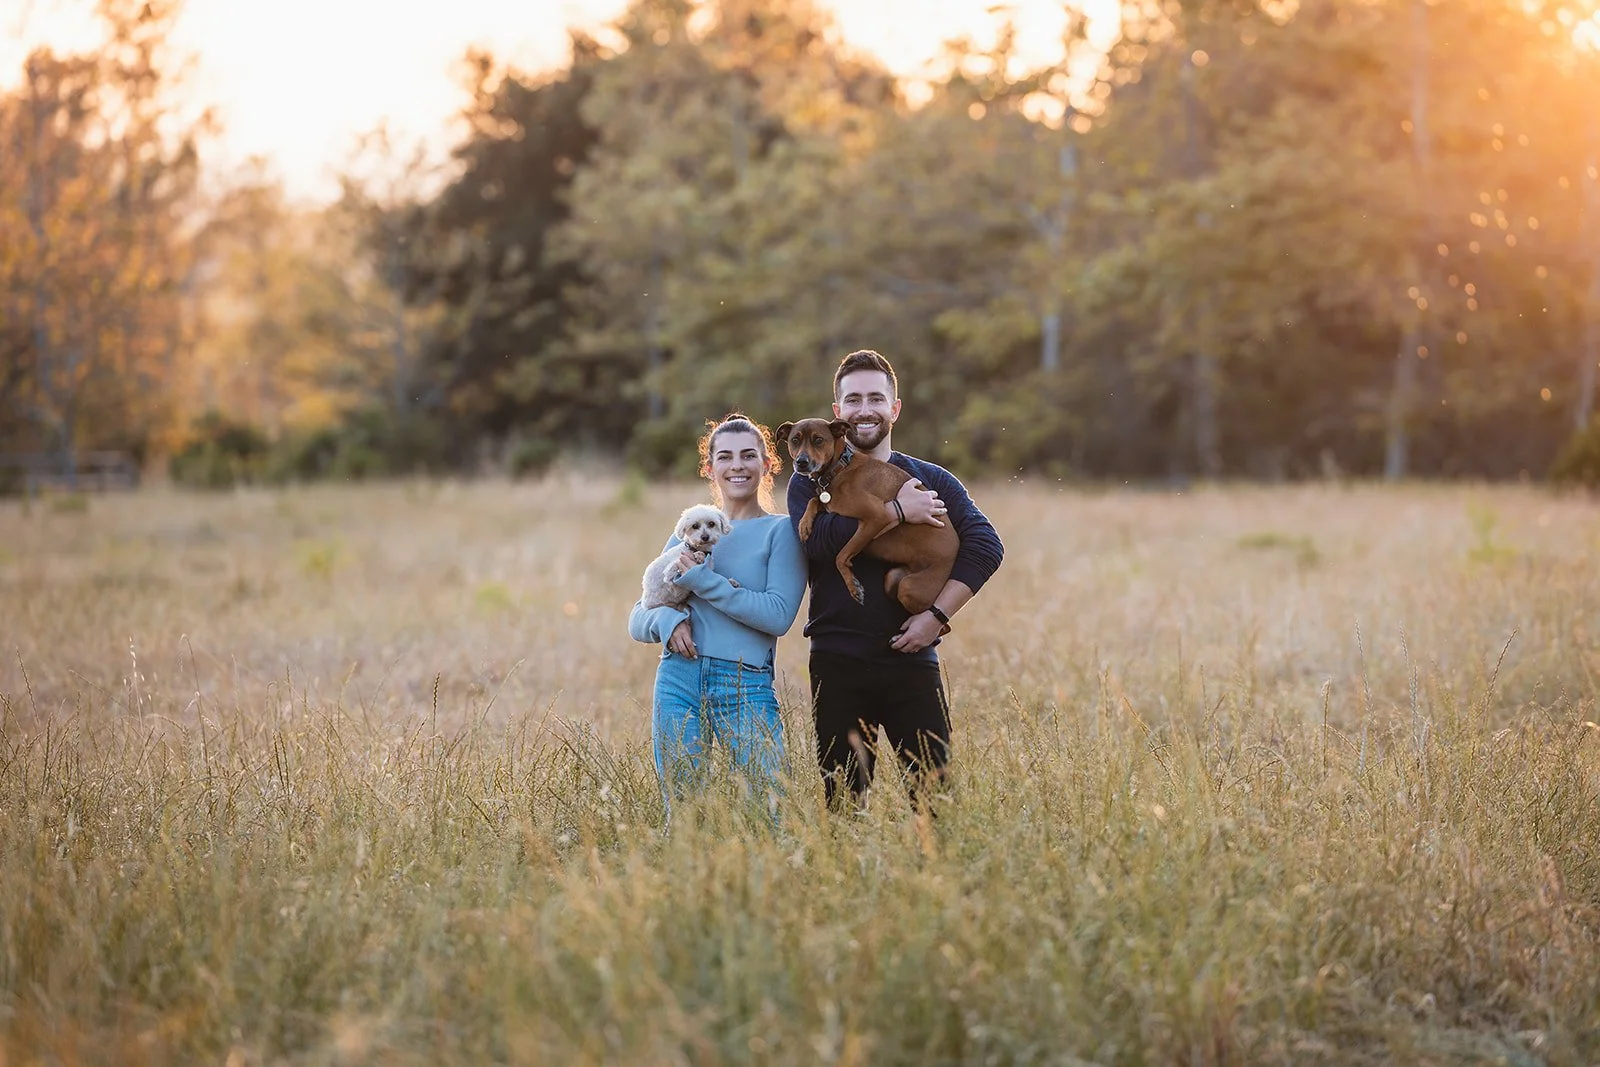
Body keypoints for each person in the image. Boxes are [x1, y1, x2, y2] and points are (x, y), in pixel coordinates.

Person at [787, 350, 1004, 809]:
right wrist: (899, 512)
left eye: (875, 398)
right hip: (837, 660)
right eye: (853, 399)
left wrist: (936, 616)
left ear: (894, 408)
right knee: (844, 806)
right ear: (838, 413)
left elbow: (987, 548)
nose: (865, 408)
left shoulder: (931, 478)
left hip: (913, 663)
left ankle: (939, 880)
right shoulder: (809, 475)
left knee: (935, 804)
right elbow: (817, 544)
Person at [629, 413, 806, 821]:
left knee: (769, 812)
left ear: (767, 463)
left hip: (744, 684)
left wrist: (705, 582)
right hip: (678, 681)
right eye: (724, 457)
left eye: (748, 455)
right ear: (710, 468)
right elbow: (639, 614)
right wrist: (667, 623)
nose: (737, 466)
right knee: (684, 815)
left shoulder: (782, 532)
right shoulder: (687, 532)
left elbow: (778, 616)